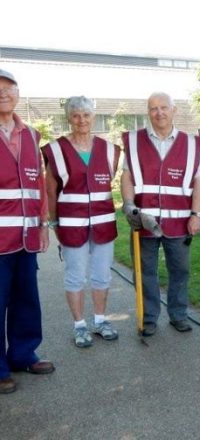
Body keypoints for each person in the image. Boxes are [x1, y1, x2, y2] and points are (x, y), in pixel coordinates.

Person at [121, 92, 200, 337]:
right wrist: (129, 206)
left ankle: (178, 315)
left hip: (180, 222)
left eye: (163, 107)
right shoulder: (135, 141)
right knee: (145, 271)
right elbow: (126, 177)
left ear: (174, 110)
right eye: (153, 108)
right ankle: (149, 318)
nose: (159, 113)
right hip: (143, 221)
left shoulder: (191, 144)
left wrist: (195, 214)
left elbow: (199, 182)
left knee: (180, 271)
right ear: (148, 112)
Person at [43, 96, 120, 348]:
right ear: (68, 119)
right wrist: (53, 223)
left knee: (102, 275)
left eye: (86, 115)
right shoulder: (55, 150)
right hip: (71, 224)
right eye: (75, 115)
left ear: (94, 117)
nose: (81, 120)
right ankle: (79, 326)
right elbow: (51, 191)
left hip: (104, 224)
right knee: (75, 276)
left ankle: (100, 321)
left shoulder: (110, 150)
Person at [0, 69, 54, 394]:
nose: (3, 93)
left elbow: (38, 186)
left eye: (9, 88)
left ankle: (23, 354)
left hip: (26, 237)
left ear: (18, 93)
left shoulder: (32, 135)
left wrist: (43, 223)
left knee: (26, 300)